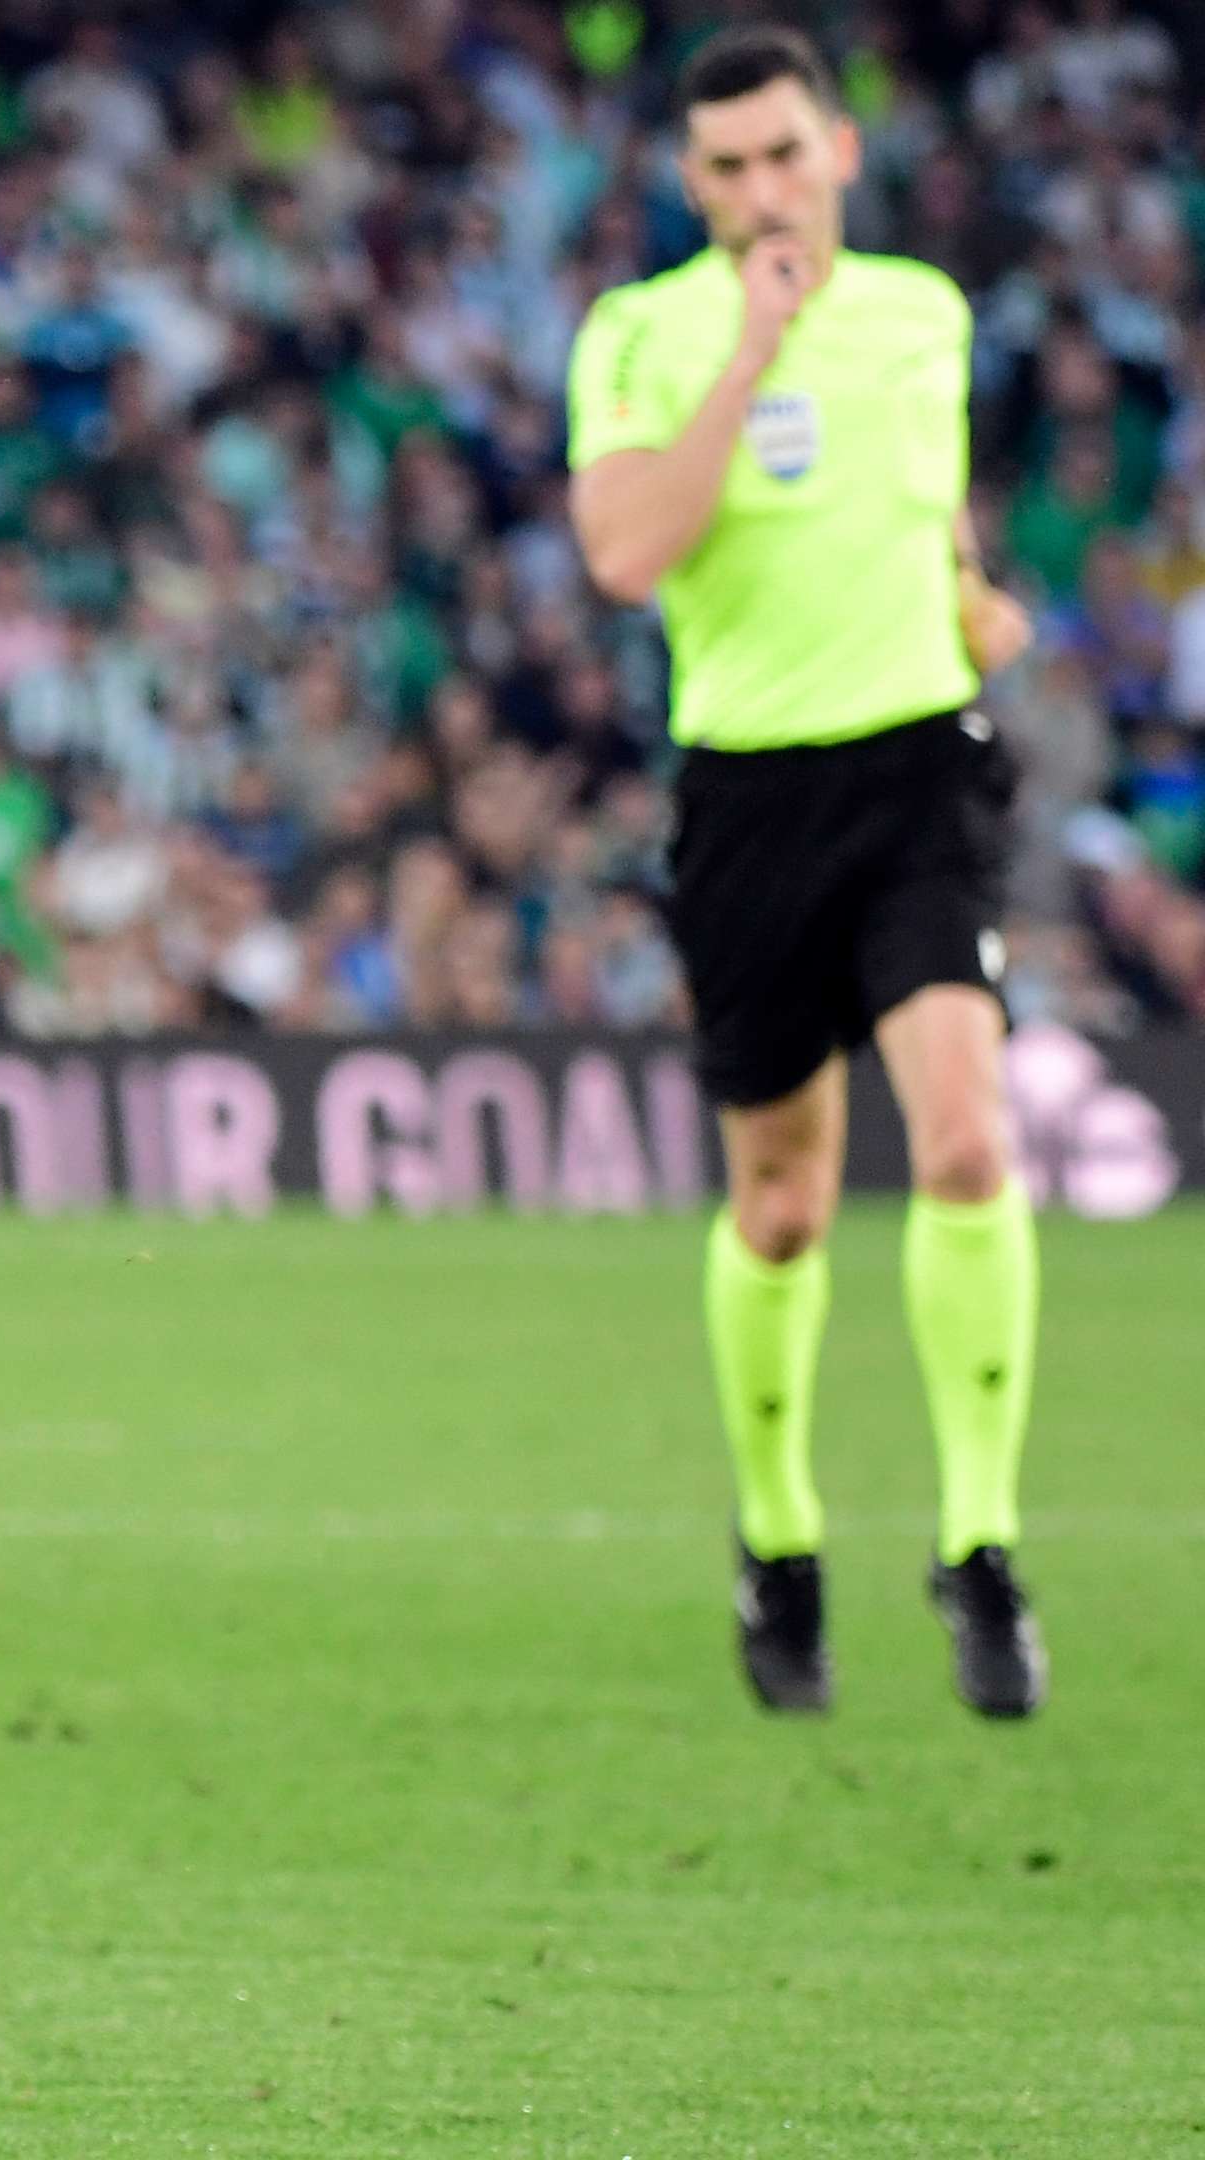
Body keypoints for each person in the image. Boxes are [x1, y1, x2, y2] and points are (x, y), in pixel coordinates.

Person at [565, 26, 1045, 1719]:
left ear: (839, 149)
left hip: (921, 762)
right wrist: (753, 348)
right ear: (693, 187)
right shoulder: (645, 334)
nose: (763, 190)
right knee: (780, 1202)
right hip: (753, 794)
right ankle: (781, 1543)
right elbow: (628, 550)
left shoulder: (927, 313)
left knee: (972, 1141)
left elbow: (930, 518)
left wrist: (974, 601)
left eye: (785, 153)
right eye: (727, 168)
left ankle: (981, 1549)